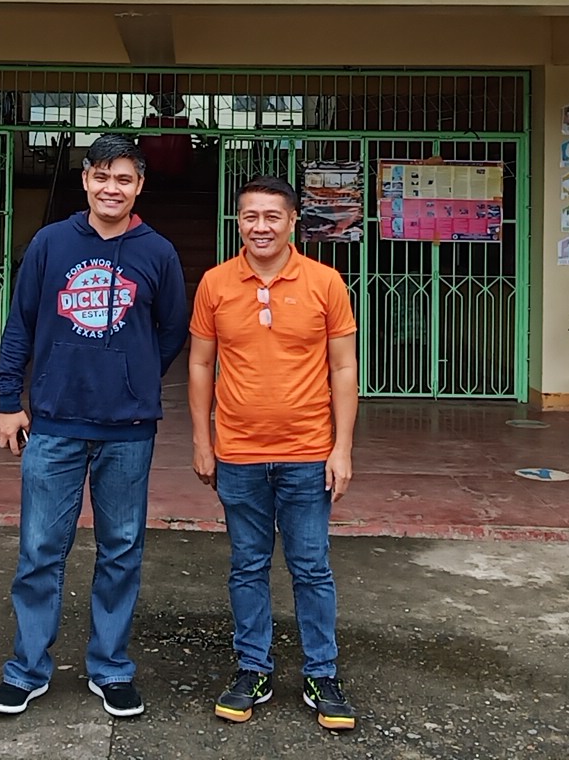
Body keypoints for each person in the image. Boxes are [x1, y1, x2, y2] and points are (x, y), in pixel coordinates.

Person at [0, 133, 189, 720]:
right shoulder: (51, 243)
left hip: (128, 429)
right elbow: (20, 324)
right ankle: (26, 670)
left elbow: (171, 330)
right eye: (101, 176)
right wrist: (8, 400)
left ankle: (111, 667)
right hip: (54, 424)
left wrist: (134, 376)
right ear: (85, 181)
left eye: (123, 178)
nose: (111, 188)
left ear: (139, 185)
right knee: (39, 549)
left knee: (121, 549)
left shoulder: (158, 252)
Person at [187, 175, 360, 731]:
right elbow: (200, 364)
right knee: (248, 565)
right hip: (237, 453)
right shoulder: (215, 283)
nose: (260, 226)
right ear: (238, 221)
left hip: (307, 452)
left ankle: (322, 673)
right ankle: (253, 668)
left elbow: (343, 368)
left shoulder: (325, 282)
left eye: (271, 216)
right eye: (250, 216)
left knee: (311, 566)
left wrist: (341, 448)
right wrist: (203, 441)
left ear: (292, 222)